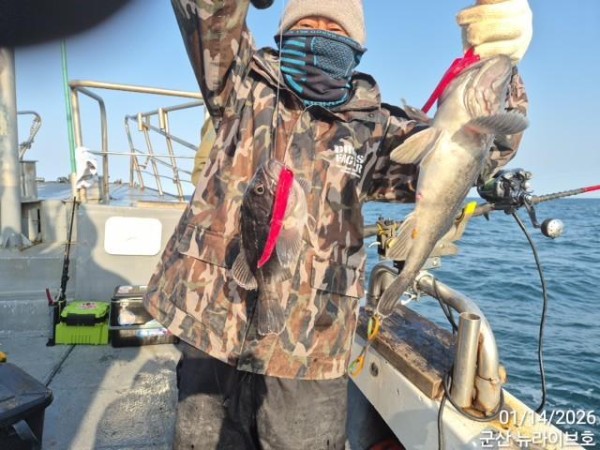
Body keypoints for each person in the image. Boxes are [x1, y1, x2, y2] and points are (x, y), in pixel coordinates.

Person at [143, 0, 532, 448]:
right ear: (285, 32)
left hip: (311, 346)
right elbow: (208, 12)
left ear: (356, 45)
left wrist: (500, 57)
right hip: (212, 325)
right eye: (306, 23)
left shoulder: (377, 130)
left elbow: (482, 151)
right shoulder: (240, 83)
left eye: (335, 28)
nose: (320, 34)